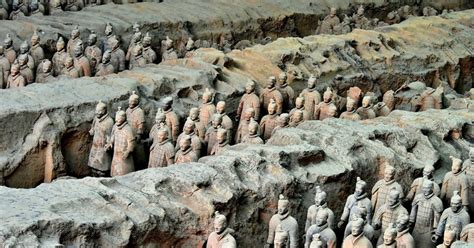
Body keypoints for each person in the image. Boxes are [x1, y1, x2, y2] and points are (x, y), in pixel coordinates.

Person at [106, 107, 135, 176]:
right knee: (114, 174)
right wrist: (110, 143)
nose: (117, 121)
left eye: (119, 120)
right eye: (116, 120)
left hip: (124, 156)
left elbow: (132, 143)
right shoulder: (115, 126)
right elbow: (113, 136)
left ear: (124, 118)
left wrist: (128, 151)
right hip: (116, 155)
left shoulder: (128, 129)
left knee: (124, 176)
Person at [88, 101, 114, 177]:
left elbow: (111, 136)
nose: (97, 113)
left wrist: (109, 144)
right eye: (96, 111)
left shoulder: (109, 122)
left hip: (103, 149)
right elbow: (93, 127)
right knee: (93, 167)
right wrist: (92, 130)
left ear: (104, 110)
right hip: (95, 146)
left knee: (101, 170)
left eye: (99, 111)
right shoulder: (96, 118)